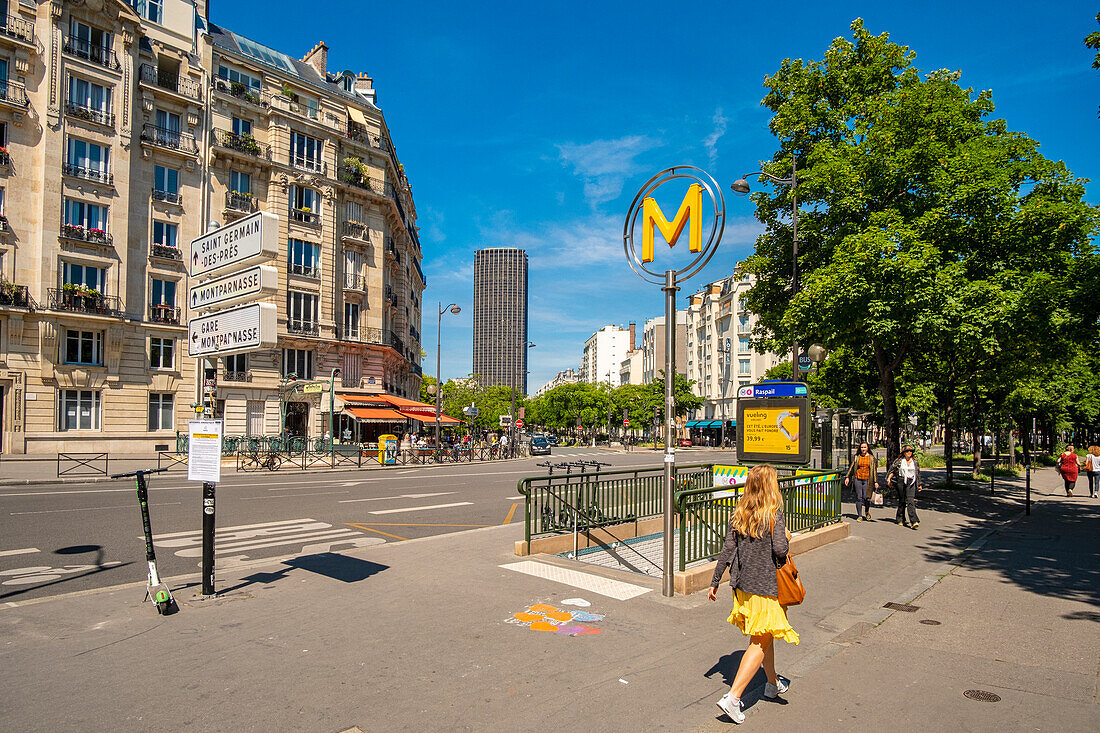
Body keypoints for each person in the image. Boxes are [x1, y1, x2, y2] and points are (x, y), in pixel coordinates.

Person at [707, 464, 798, 724]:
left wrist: (715, 581)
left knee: (764, 636)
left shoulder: (739, 513)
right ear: (770, 487)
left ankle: (771, 684)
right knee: (759, 642)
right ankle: (733, 698)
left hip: (744, 586)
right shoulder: (774, 515)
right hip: (767, 588)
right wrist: (787, 536)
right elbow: (780, 551)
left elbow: (727, 551)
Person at [885, 444, 922, 529]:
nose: (909, 453)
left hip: (911, 482)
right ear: (903, 453)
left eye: (910, 451)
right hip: (901, 481)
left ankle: (914, 521)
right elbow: (892, 470)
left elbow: (918, 474)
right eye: (907, 451)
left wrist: (919, 484)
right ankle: (900, 518)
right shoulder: (899, 461)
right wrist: (888, 479)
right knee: (902, 500)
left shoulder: (915, 462)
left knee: (910, 500)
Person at [843, 442, 879, 521]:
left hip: (867, 480)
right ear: (860, 448)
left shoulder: (871, 458)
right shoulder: (857, 457)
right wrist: (847, 477)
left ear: (867, 448)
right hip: (858, 479)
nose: (863, 449)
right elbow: (852, 467)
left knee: (866, 497)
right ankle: (859, 515)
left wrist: (876, 481)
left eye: (865, 447)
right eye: (862, 447)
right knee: (859, 497)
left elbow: (874, 471)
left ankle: (866, 511)